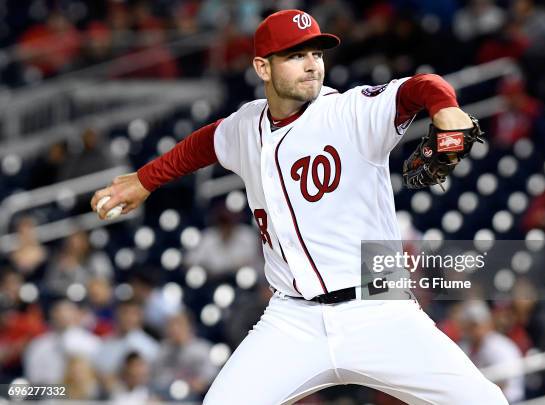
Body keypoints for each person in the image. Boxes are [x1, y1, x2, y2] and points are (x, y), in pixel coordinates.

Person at [91, 9, 508, 404]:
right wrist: (144, 180)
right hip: (292, 320)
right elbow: (202, 145)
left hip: (379, 310)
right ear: (262, 68)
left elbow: (421, 86)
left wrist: (446, 107)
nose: (311, 64)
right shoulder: (245, 125)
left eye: (316, 53)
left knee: (485, 400)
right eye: (295, 55)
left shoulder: (349, 111)